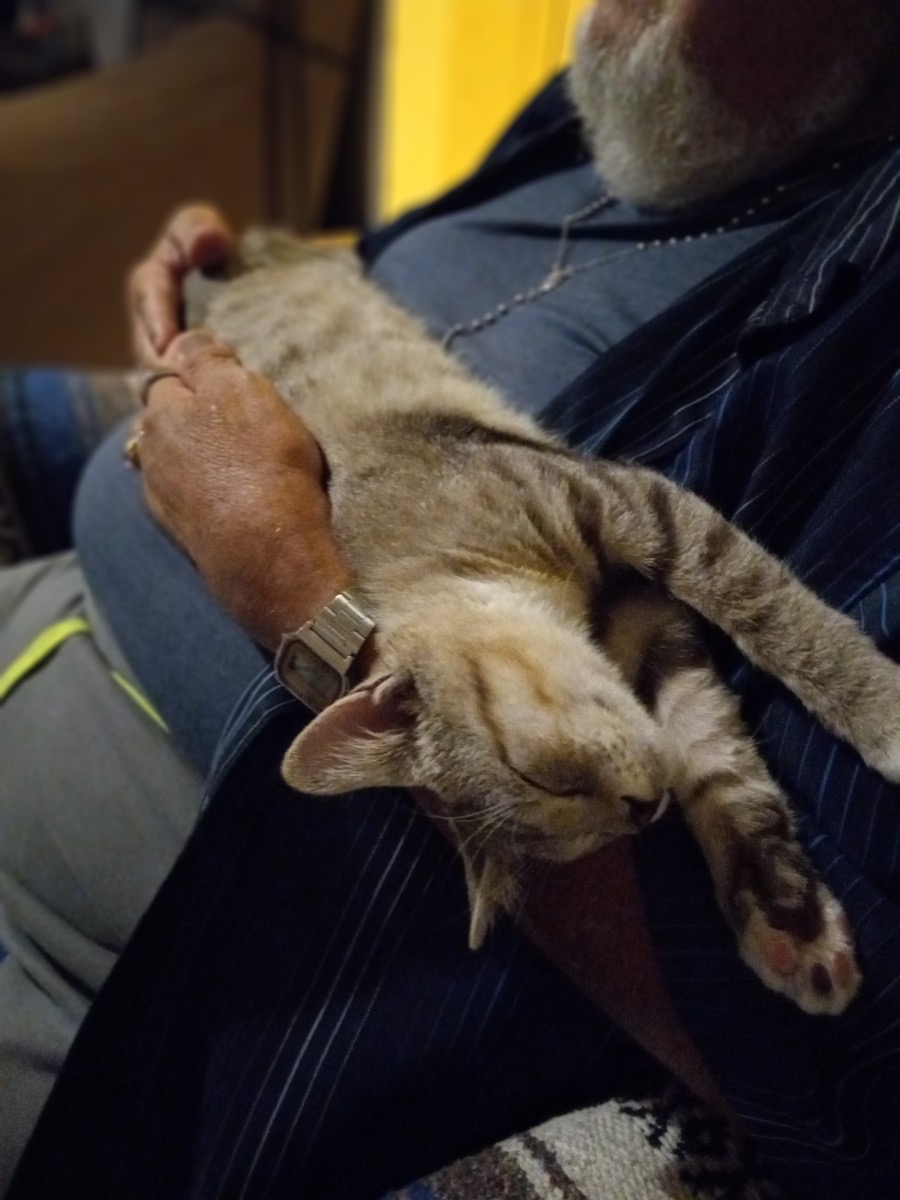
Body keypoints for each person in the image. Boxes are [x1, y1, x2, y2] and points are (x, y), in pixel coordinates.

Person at [2, 0, 900, 1196]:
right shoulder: (643, 105)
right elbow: (408, 276)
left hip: (109, 979)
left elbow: (839, 1080)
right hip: (107, 508)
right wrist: (249, 265)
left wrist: (293, 587)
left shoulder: (862, 326)